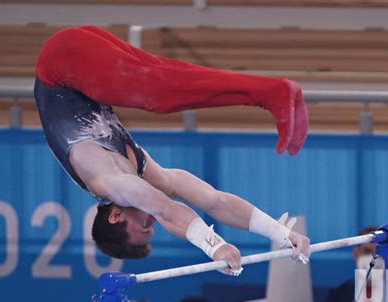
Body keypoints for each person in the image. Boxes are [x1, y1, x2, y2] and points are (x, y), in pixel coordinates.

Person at [34, 25, 311, 276]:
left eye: (144, 226)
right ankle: (280, 91)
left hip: (60, 65)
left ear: (115, 216)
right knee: (167, 75)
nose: (151, 220)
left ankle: (270, 94)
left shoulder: (110, 181)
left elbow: (167, 210)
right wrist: (281, 233)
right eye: (151, 228)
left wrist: (214, 247)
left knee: (157, 93)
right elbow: (214, 201)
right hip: (81, 57)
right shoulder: (143, 174)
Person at [320, 226, 388, 302]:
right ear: (355, 253)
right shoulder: (339, 294)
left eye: (379, 253)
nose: (373, 258)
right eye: (367, 252)